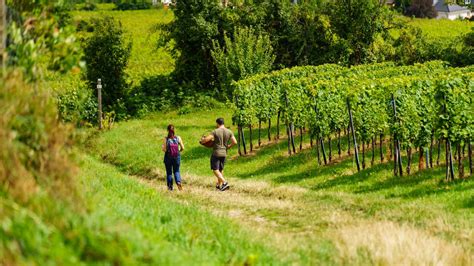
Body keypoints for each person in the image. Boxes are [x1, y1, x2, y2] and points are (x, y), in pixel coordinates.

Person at [200, 118, 237, 191]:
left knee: (215, 169)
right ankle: (219, 186)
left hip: (216, 152)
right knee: (221, 169)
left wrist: (202, 140)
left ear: (217, 123)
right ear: (223, 123)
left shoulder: (215, 131)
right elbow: (235, 142)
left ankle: (224, 182)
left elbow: (207, 139)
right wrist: (228, 146)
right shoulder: (229, 131)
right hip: (224, 153)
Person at [162, 124, 185, 191]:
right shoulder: (178, 138)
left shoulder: (166, 139)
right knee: (177, 171)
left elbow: (164, 149)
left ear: (167, 130)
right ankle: (178, 182)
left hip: (168, 157)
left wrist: (165, 149)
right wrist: (178, 152)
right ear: (174, 129)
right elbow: (183, 148)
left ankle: (170, 188)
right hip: (176, 156)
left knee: (169, 172)